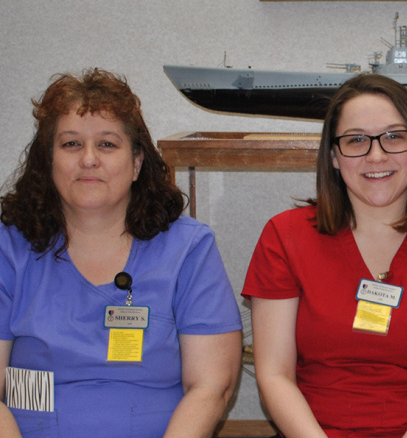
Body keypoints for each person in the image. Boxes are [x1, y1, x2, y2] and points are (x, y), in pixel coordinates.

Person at [243, 73, 407, 437]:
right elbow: (274, 376)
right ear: (333, 155)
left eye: (394, 136)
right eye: (356, 139)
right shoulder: (285, 237)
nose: (376, 155)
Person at [0, 68, 243, 437]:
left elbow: (211, 387)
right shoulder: (10, 248)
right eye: (71, 144)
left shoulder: (187, 248)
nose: (89, 160)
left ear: (136, 163)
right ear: (47, 161)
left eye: (108, 144)